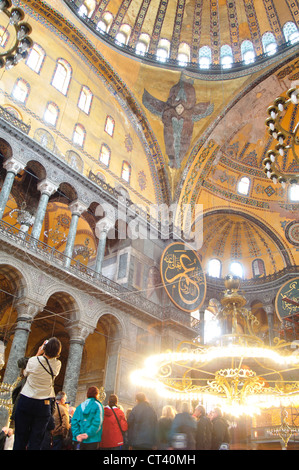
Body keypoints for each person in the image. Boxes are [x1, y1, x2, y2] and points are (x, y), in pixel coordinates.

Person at [13, 337, 62, 450]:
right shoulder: (57, 364)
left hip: (26, 400)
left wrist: (39, 352)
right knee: (36, 440)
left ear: (45, 348)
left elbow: (25, 373)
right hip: (43, 405)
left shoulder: (33, 360)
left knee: (20, 437)